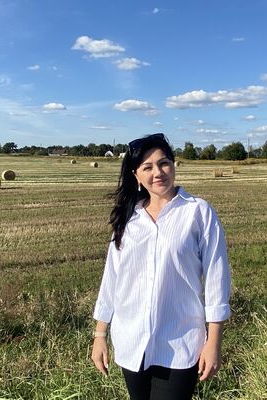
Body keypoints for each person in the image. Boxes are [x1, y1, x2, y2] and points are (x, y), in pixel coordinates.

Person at [91, 133, 231, 400]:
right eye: (147, 167)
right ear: (136, 175)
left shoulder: (198, 212)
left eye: (163, 163)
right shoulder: (128, 217)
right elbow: (112, 280)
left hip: (180, 342)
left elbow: (217, 279)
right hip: (131, 341)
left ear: (173, 165)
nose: (158, 172)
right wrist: (100, 334)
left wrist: (214, 341)